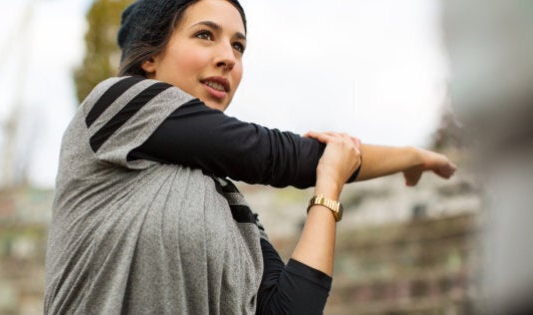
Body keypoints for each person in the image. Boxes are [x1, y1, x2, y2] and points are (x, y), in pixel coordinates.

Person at [44, 0, 456, 314]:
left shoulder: (233, 214)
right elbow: (277, 156)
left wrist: (329, 188)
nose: (230, 57)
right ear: (149, 57)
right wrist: (409, 156)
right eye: (206, 35)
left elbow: (291, 309)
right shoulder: (117, 107)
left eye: (238, 45)